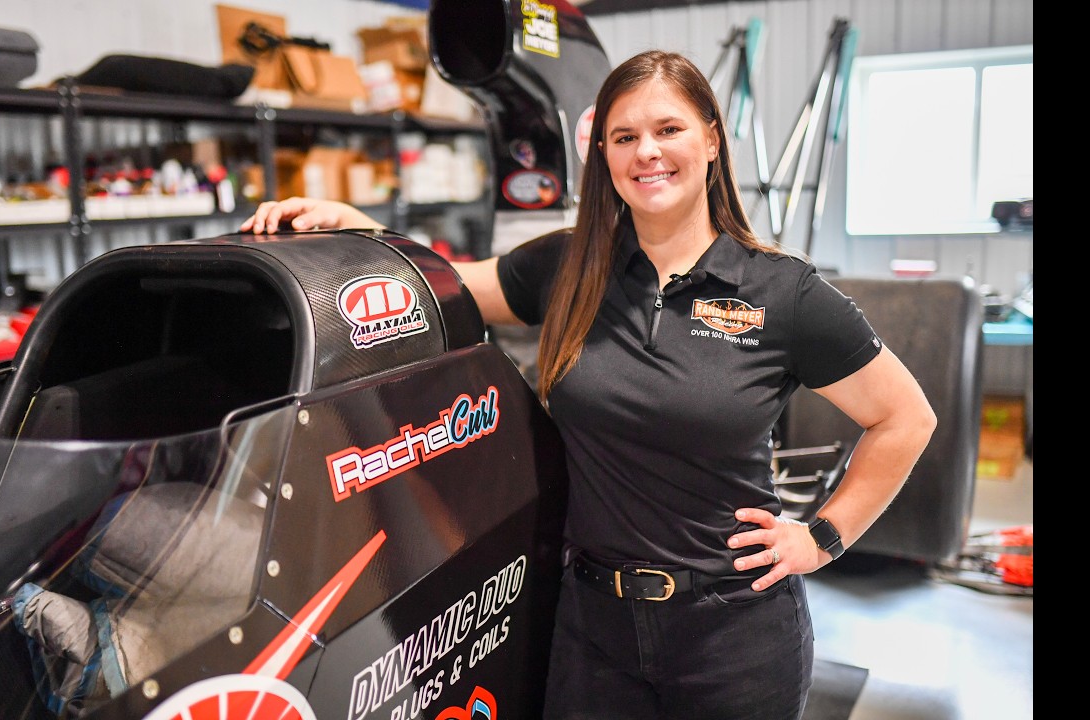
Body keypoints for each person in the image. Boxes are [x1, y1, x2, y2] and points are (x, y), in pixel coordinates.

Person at [241, 50, 936, 720]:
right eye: (624, 136)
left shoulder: (783, 292)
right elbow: (449, 287)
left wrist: (821, 538)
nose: (647, 152)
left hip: (733, 634)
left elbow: (905, 419)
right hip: (592, 630)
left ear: (713, 142)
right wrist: (354, 228)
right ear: (602, 152)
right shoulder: (572, 265)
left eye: (668, 130)